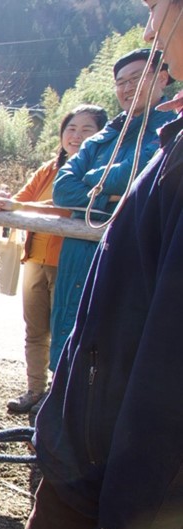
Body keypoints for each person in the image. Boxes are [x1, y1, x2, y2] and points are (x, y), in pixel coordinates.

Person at [0, 0, 183, 529]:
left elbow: (170, 355)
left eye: (161, 11)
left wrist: (128, 527)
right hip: (135, 469)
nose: (151, 30)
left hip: (112, 473)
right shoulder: (173, 141)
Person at [49, 47, 174, 372]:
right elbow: (62, 189)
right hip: (77, 251)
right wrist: (108, 192)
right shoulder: (104, 136)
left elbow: (139, 172)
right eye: (121, 81)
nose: (127, 87)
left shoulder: (171, 129)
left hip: (126, 250)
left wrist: (92, 185)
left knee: (109, 350)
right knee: (67, 333)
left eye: (137, 77)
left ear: (162, 77)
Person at [0, 104, 107, 414]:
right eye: (71, 128)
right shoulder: (49, 169)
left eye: (86, 130)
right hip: (36, 260)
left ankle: (59, 397)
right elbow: (22, 200)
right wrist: (4, 201)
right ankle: (34, 390)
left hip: (70, 262)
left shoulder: (98, 172)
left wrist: (28, 207)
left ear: (101, 136)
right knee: (35, 329)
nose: (76, 135)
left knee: (64, 330)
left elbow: (68, 209)